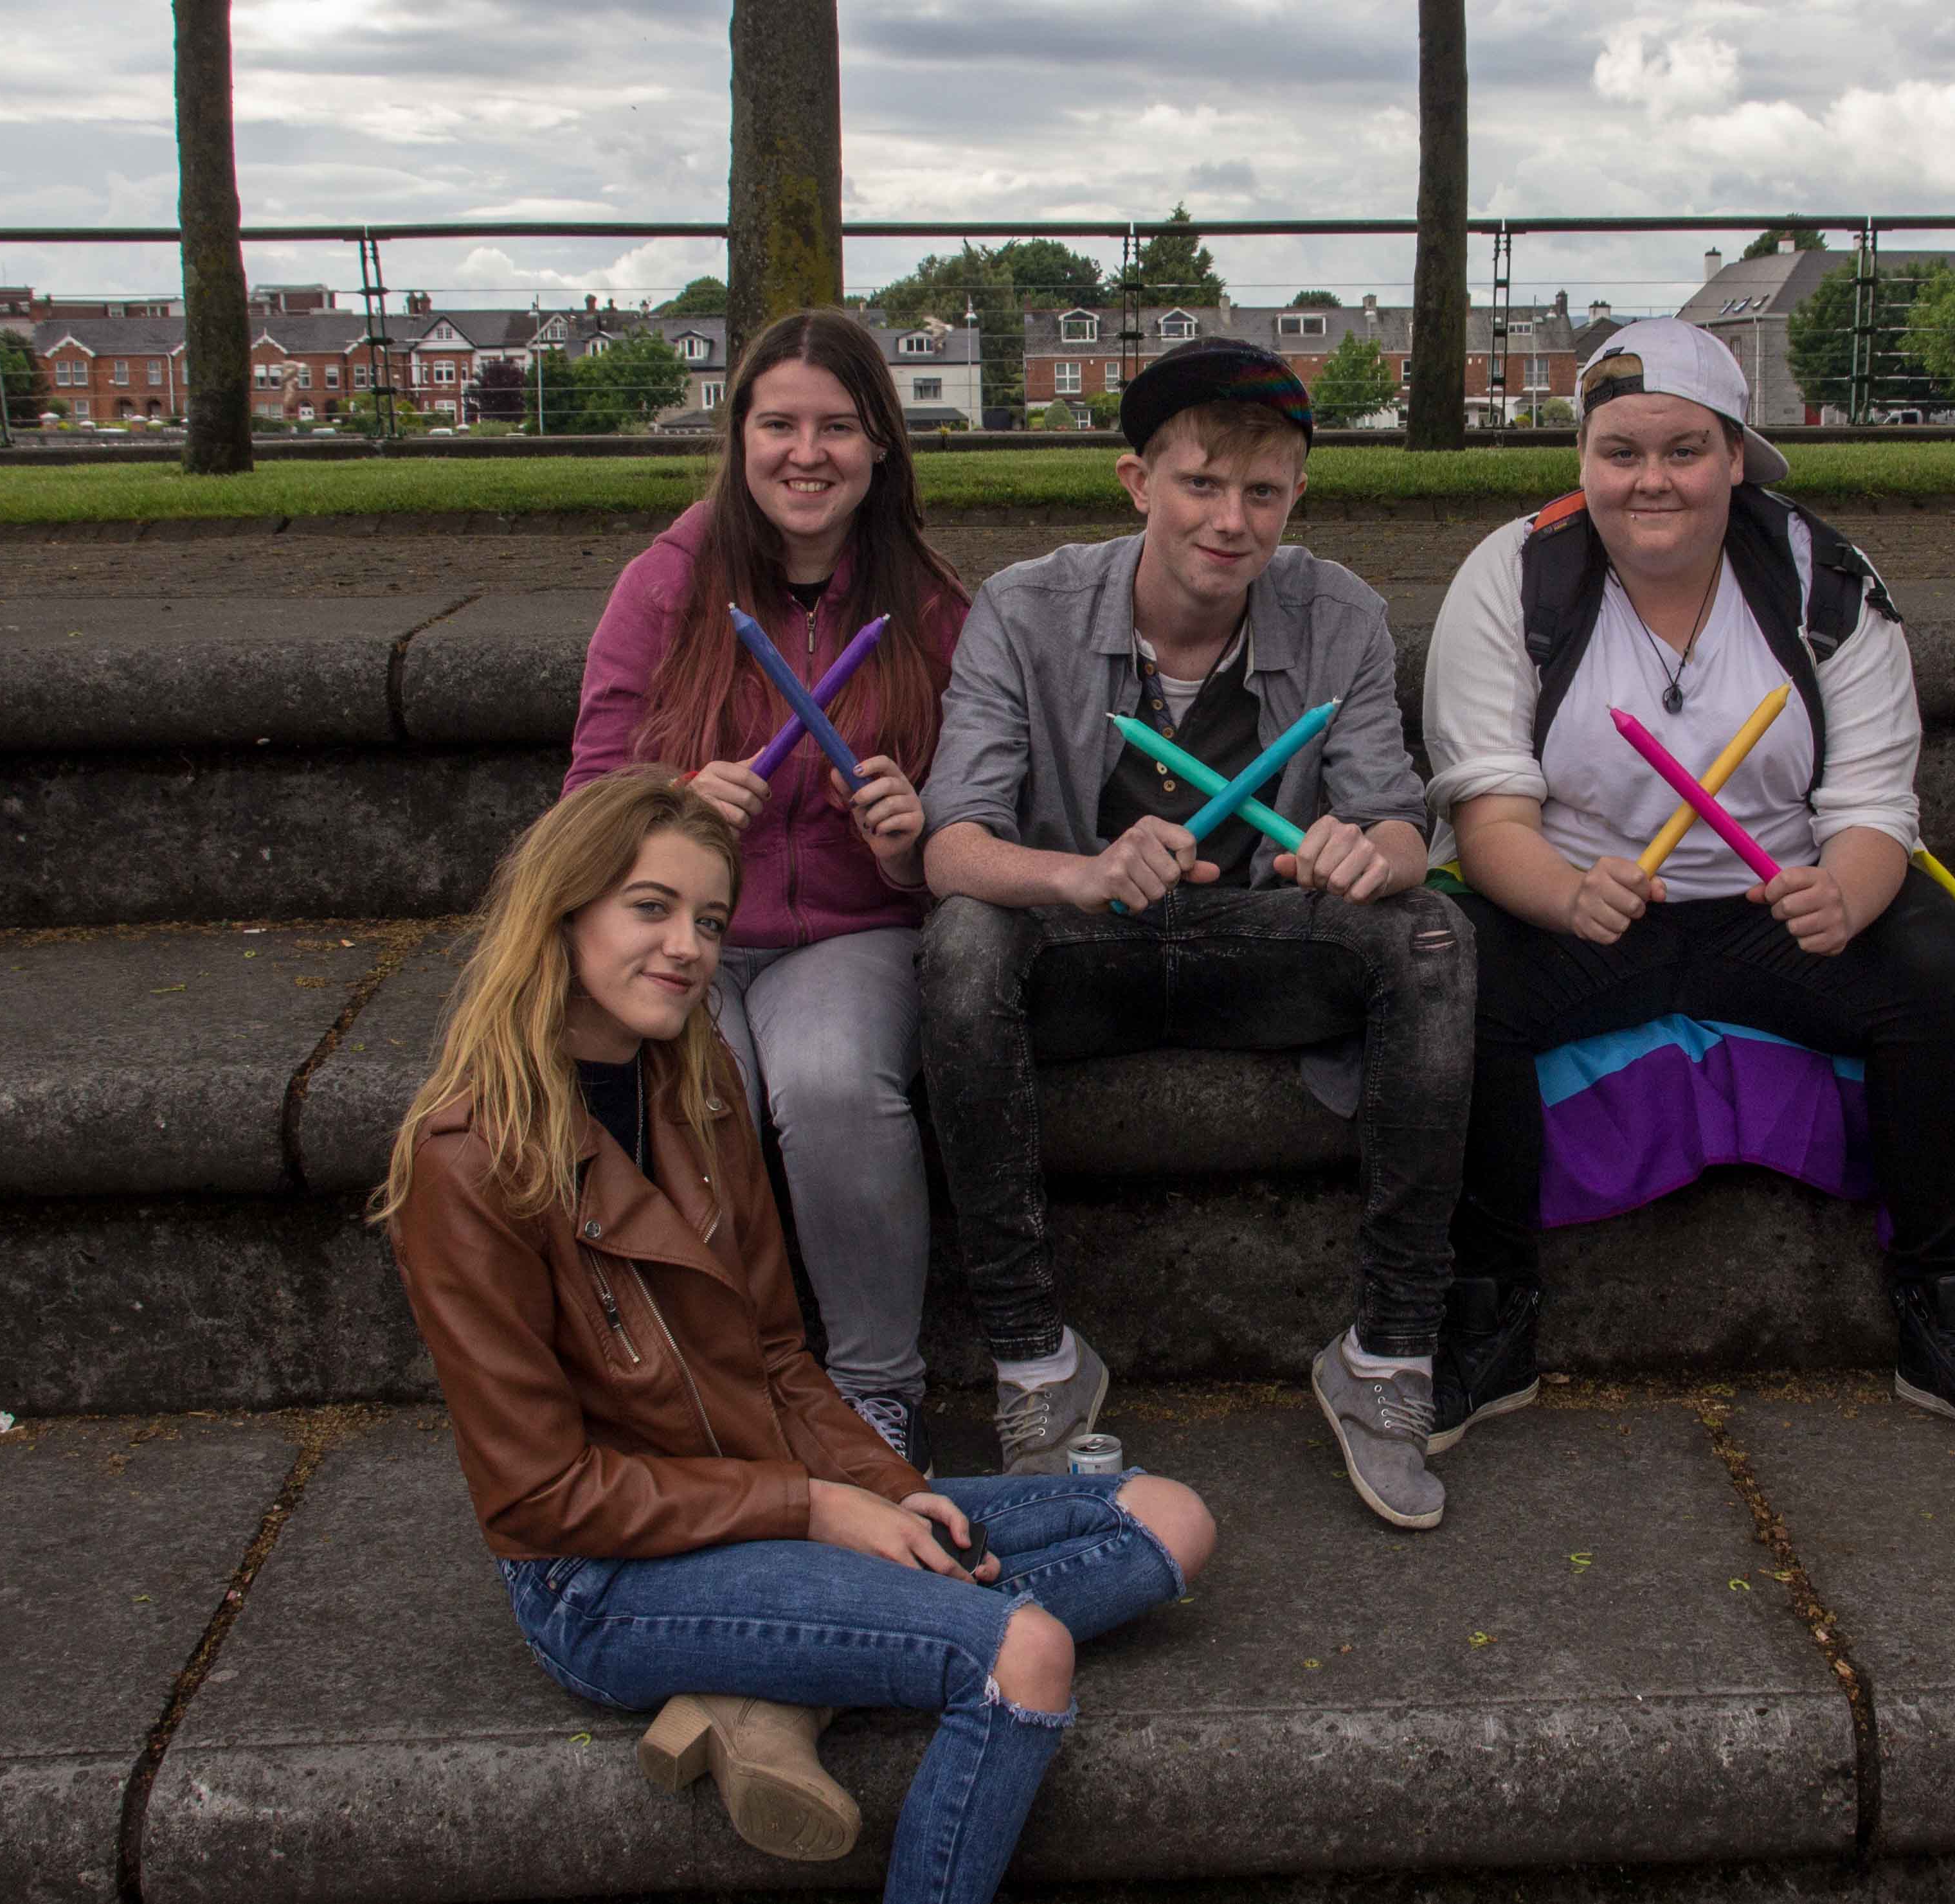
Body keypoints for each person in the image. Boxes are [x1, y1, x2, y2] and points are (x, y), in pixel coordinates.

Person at [375, 768, 1214, 1892]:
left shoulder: (699, 1082)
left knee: (1168, 1520)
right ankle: (802, 1663)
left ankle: (775, 1685)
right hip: (605, 1576)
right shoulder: (468, 1162)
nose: (687, 947)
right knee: (1025, 1650)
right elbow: (538, 1497)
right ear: (562, 913)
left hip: (760, 1491)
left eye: (710, 920)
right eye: (651, 907)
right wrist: (816, 1508)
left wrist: (886, 1487)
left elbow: (777, 1354)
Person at [1421, 318, 1955, 1453]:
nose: (1652, 480)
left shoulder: (1827, 579)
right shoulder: (1513, 575)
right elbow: (1489, 816)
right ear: (1583, 460)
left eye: (1684, 450)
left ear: (1735, 457)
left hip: (1782, 903)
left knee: (1946, 975)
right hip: (1579, 902)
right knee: (1447, 987)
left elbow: (1873, 804)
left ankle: (1949, 1318)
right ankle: (1489, 1317)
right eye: (1621, 452)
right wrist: (1563, 897)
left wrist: (1848, 893)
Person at [919, 337, 1474, 1529]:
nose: (1232, 520)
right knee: (963, 940)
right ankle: (1032, 1360)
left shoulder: (1341, 612)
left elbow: (1402, 822)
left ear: (1297, 496)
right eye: (1201, 484)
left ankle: (1387, 1355)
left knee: (1431, 934)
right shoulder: (1023, 608)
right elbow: (950, 844)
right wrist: (1079, 872)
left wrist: (1368, 854)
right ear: (1137, 482)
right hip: (1084, 947)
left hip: (1262, 937)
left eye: (1262, 491)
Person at [569, 308, 966, 1471]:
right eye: (779, 424)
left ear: (881, 441)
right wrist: (674, 806)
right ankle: (712, 1388)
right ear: (738, 435)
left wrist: (912, 835)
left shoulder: (933, 605)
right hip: (686, 926)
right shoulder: (664, 584)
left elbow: (982, 812)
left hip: (853, 927)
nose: (808, 452)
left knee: (832, 1080)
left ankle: (877, 1390)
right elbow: (587, 794)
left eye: (837, 426)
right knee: (706, 1081)